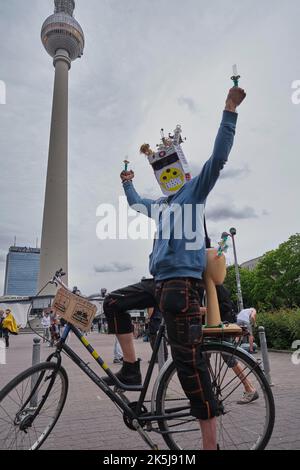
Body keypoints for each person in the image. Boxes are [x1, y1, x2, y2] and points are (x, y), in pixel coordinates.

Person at [103, 86, 246, 450]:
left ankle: (208, 443)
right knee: (113, 303)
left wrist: (229, 112)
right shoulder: (162, 206)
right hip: (159, 283)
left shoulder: (193, 192)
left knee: (189, 366)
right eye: (160, 170)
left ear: (180, 170)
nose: (166, 174)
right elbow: (136, 204)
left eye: (170, 168)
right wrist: (128, 184)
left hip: (182, 286)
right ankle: (132, 369)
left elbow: (217, 160)